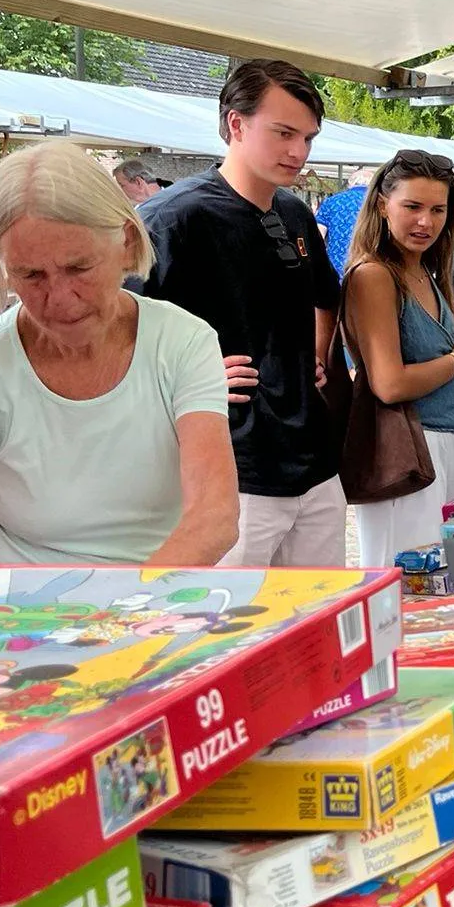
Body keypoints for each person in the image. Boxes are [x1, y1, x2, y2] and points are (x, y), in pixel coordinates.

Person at [0, 143, 238, 577]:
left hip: (163, 605)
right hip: (27, 627)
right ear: (2, 265)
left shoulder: (182, 342)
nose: (59, 299)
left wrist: (126, 615)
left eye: (79, 268)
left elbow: (214, 516)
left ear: (126, 243)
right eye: (30, 275)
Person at [138, 59, 346, 566]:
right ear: (236, 124)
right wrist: (185, 382)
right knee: (231, 625)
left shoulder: (295, 211)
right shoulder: (171, 218)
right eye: (283, 133)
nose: (298, 152)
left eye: (308, 138)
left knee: (317, 624)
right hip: (231, 466)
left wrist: (314, 356)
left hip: (313, 463)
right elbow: (116, 328)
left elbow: (327, 294)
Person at [340, 151, 454, 566]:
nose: (425, 221)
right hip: (405, 451)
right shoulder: (373, 275)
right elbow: (388, 384)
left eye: (437, 209)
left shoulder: (425, 271)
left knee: (451, 577)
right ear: (382, 205)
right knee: (410, 587)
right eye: (412, 206)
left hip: (446, 442)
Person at [315, 168, 376, 280]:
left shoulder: (332, 202)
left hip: (335, 267)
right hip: (369, 266)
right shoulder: (377, 203)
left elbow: (317, 237)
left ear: (350, 184)